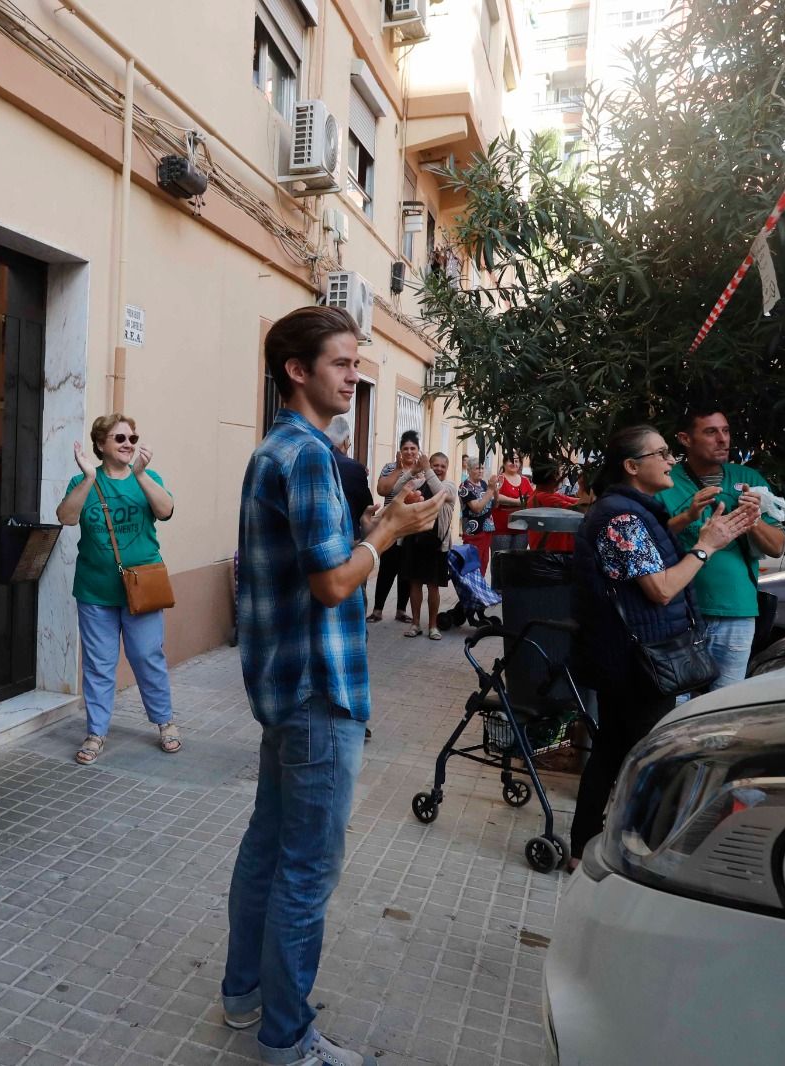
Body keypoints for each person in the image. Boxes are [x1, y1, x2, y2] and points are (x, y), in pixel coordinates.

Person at [224, 305, 444, 1066]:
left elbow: (313, 565)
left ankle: (243, 995)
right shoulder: (310, 455)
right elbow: (331, 583)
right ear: (298, 369)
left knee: (268, 846)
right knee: (307, 868)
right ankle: (287, 1040)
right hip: (319, 687)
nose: (356, 376)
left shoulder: (275, 451)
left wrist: (379, 522)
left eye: (356, 364)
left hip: (285, 686)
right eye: (344, 363)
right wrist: (389, 533)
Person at [569, 426, 755, 867]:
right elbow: (662, 589)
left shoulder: (629, 512)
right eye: (661, 453)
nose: (671, 460)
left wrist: (689, 522)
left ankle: (583, 848)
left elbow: (645, 555)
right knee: (654, 759)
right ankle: (647, 854)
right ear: (633, 467)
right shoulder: (620, 518)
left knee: (614, 749)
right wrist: (707, 546)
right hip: (637, 663)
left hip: (630, 658)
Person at [55, 413, 179, 764]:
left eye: (132, 438)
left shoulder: (147, 477)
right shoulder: (84, 482)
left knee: (147, 657)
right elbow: (66, 517)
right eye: (120, 438)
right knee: (98, 664)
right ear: (100, 445)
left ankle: (164, 721)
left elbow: (167, 509)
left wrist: (140, 474)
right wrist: (88, 478)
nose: (128, 444)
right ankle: (96, 732)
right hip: (95, 591)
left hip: (142, 588)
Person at [655, 409, 785, 690]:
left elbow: (777, 547)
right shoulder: (665, 481)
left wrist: (752, 520)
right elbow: (647, 540)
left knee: (721, 707)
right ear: (685, 439)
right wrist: (688, 516)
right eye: (711, 432)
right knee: (677, 709)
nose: (722, 440)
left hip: (737, 611)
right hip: (680, 613)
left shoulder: (748, 478)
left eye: (725, 431)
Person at [396, 451, 458, 640]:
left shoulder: (450, 486)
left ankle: (432, 626)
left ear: (446, 469)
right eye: (434, 465)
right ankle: (415, 624)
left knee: (433, 586)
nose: (438, 469)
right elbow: (397, 489)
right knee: (414, 583)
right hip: (413, 541)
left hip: (436, 544)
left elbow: (439, 491)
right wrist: (413, 470)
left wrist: (427, 470)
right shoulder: (420, 481)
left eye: (442, 466)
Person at [366, 430, 422, 622]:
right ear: (400, 451)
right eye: (405, 448)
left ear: (418, 450)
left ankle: (401, 610)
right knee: (387, 568)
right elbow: (382, 490)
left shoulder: (423, 470)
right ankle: (378, 610)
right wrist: (398, 469)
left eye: (412, 448)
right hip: (390, 526)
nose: (409, 452)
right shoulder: (390, 467)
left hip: (412, 526)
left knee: (406, 570)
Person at [324, 415, 374, 535]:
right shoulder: (354, 467)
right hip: (347, 537)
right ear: (346, 441)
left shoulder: (311, 457)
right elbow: (367, 508)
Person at [525, 460, 583, 552]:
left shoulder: (545, 495)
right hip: (549, 553)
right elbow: (578, 508)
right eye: (558, 475)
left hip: (552, 552)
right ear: (552, 478)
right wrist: (583, 486)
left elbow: (576, 501)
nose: (560, 477)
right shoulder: (542, 497)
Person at [458, 459, 497, 576]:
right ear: (469, 470)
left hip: (487, 529)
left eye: (482, 468)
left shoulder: (484, 484)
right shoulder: (464, 487)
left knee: (484, 562)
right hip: (474, 532)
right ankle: (472, 591)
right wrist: (490, 490)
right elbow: (477, 508)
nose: (480, 471)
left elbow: (494, 504)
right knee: (474, 564)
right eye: (477, 468)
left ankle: (480, 589)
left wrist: (495, 489)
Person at [491, 451, 533, 550]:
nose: (514, 463)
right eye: (511, 460)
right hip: (501, 528)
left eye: (517, 461)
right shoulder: (499, 479)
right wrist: (517, 501)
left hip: (522, 528)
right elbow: (497, 497)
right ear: (504, 463)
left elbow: (531, 498)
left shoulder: (525, 481)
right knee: (501, 560)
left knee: (517, 561)